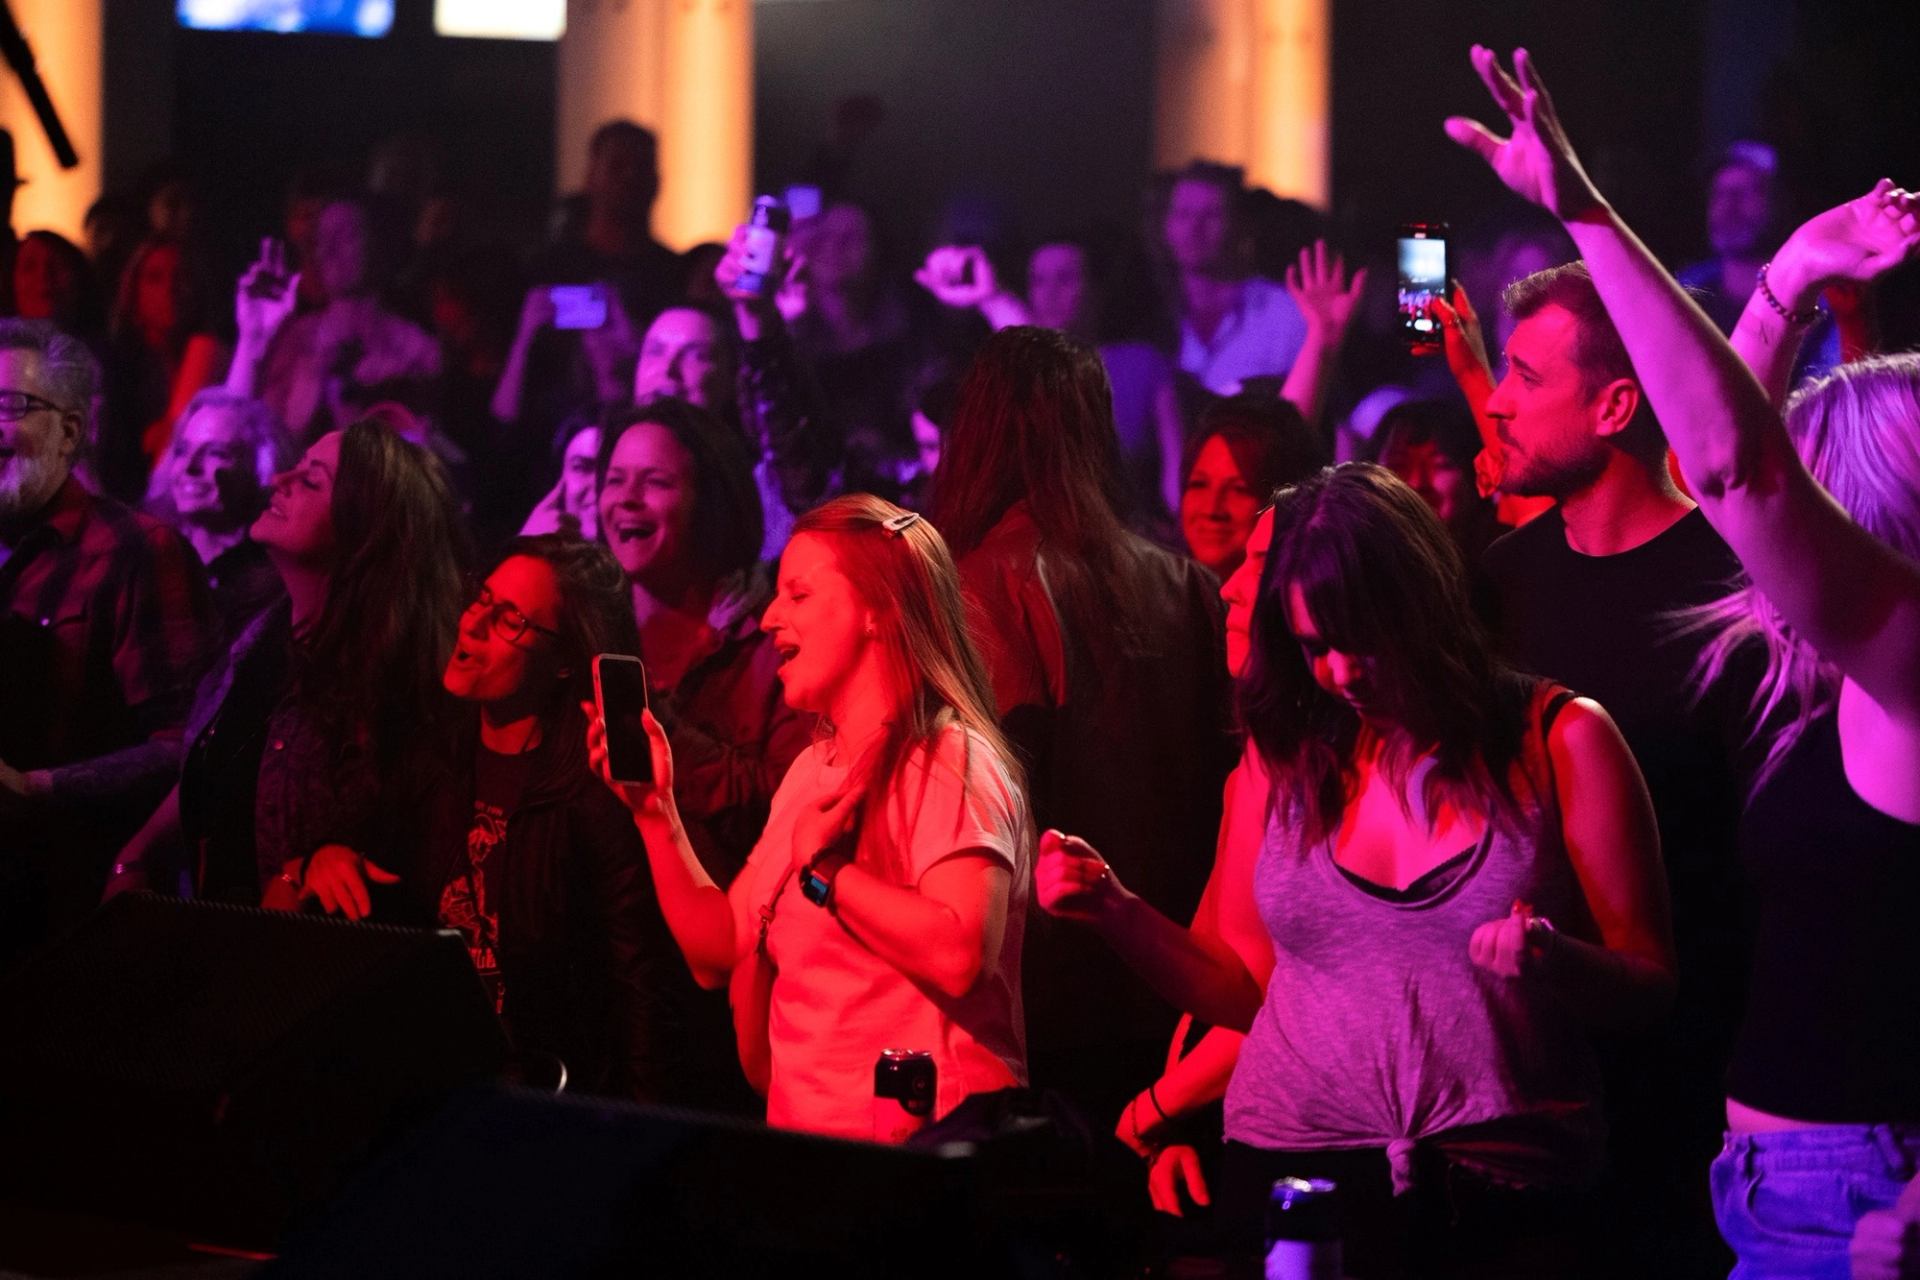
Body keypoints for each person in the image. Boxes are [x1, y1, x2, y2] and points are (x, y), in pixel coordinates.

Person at [1446, 44, 1920, 1275]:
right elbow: (1730, 466)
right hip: (1773, 1180)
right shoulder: (1834, 662)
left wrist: (1584, 211)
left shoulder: (1907, 655)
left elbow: (1733, 470)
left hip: (1853, 1194)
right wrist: (1794, 276)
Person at [1038, 462, 1674, 1277]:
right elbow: (1242, 986)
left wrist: (1556, 960)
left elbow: (1653, 983)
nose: (1341, 673)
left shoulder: (1558, 737)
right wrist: (1114, 911)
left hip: (1502, 1185)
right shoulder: (1288, 757)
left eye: (1359, 640)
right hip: (1292, 1170)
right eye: (1313, 647)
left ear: (1421, 606)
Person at [1440, 255, 1758, 1276]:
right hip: (1520, 1089)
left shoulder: (1729, 585)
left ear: (1618, 403)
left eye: (1528, 376)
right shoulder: (1500, 584)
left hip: (1693, 1087)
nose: (1495, 398)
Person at [588, 494, 1032, 1138]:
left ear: (877, 610)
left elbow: (961, 953)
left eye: (797, 595)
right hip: (816, 1155)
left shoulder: (949, 759)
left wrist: (827, 873)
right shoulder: (811, 771)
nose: (769, 618)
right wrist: (656, 814)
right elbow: (718, 948)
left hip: (924, 1163)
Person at [930, 325, 1235, 1123]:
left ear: (978, 432)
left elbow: (973, 819)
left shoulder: (963, 588)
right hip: (1171, 984)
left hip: (1037, 1005)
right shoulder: (1187, 585)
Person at [299, 536, 700, 1104]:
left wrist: (634, 1135)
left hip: (543, 1100)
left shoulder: (593, 799)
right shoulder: (432, 756)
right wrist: (327, 853)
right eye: (481, 598)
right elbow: (356, 838)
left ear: (564, 664)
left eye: (510, 618)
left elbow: (641, 994)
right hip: (425, 1086)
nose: (474, 624)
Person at [108, 419, 467, 908]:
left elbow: (406, 846)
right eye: (294, 467)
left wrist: (308, 872)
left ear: (363, 530)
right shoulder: (261, 635)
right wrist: (138, 851)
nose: (279, 480)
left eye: (311, 480)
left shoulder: (399, 681)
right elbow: (221, 761)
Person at [0, 319, 214, 970]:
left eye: (11, 406)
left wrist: (39, 788)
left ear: (71, 431)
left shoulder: (134, 550)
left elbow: (188, 746)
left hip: (59, 920)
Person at [594, 397, 811, 887]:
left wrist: (664, 734)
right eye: (614, 479)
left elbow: (789, 809)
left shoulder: (767, 643)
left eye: (656, 482)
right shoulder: (588, 625)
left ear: (710, 502)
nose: (627, 498)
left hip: (722, 927)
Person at [238, 200, 443, 445]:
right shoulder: (295, 338)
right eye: (322, 239)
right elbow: (267, 438)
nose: (328, 250)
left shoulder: (416, 350)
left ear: (376, 245)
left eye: (344, 236)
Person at [143, 387, 289, 639]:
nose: (189, 467)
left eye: (216, 453)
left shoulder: (271, 580)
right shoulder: (145, 544)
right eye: (182, 450)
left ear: (259, 468)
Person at [1160, 161, 1309, 396]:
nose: (1194, 228)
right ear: (1166, 225)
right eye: (1183, 214)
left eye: (1211, 215)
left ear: (1240, 225)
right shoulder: (1151, 314)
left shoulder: (1285, 314)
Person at [102, 235, 229, 500]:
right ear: (133, 294)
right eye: (155, 278)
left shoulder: (218, 361)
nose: (171, 288)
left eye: (182, 277)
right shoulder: (117, 371)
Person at [1179, 393, 1326, 580]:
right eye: (1199, 484)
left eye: (1239, 489)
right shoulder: (1154, 594)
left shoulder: (1302, 606)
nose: (1212, 509)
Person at [1369, 398, 1502, 564]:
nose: (1417, 483)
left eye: (1441, 465)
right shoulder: (1351, 567)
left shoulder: (1505, 564)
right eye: (1399, 464)